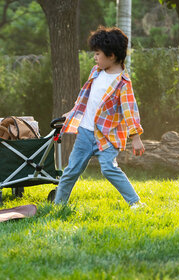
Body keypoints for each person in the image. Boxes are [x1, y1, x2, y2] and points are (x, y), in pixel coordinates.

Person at [54, 26, 146, 208]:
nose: (95, 58)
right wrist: (72, 113)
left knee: (109, 168)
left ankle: (135, 203)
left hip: (107, 136)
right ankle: (58, 206)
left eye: (97, 54)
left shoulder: (122, 83)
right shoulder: (96, 72)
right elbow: (86, 98)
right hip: (85, 133)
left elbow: (130, 111)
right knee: (71, 170)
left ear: (111, 55)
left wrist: (135, 137)